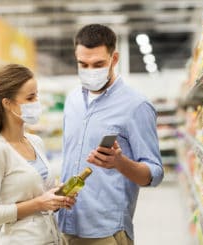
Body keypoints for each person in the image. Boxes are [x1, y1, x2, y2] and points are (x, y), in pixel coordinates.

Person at [57, 24, 164, 245]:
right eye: (83, 64)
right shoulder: (72, 100)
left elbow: (155, 173)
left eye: (98, 64)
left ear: (114, 59)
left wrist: (120, 163)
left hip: (105, 231)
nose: (89, 70)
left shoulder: (137, 106)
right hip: (64, 223)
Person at [0, 64, 76, 245]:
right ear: (7, 103)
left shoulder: (35, 142)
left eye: (37, 95)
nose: (37, 102)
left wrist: (57, 197)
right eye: (30, 97)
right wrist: (40, 203)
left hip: (51, 238)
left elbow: (40, 195)